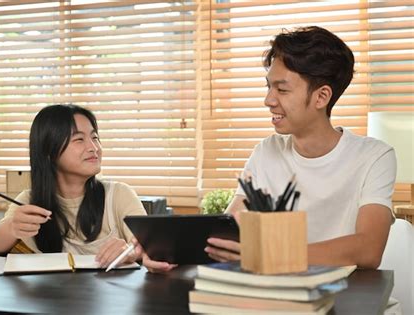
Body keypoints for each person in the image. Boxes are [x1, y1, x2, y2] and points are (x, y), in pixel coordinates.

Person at [139, 26, 396, 273]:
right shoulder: (267, 152)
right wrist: (165, 251)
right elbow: (226, 234)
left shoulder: (374, 157)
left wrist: (270, 254)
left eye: (282, 89)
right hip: (274, 294)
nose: (268, 100)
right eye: (268, 86)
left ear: (321, 97)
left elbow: (368, 249)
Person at [0, 104, 147, 269]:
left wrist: (130, 252)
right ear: (50, 152)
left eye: (95, 138)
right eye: (79, 139)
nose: (94, 148)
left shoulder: (119, 195)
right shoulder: (30, 200)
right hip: (51, 293)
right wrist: (13, 227)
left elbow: (146, 246)